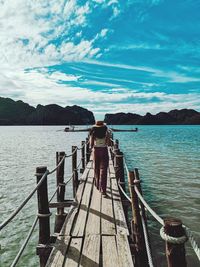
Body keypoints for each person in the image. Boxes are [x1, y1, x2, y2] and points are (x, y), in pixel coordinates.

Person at [90, 121, 109, 197]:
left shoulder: (93, 132)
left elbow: (91, 144)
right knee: (103, 170)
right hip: (104, 151)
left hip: (96, 151)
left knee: (96, 168)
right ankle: (103, 191)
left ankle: (97, 185)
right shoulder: (106, 132)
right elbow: (108, 143)